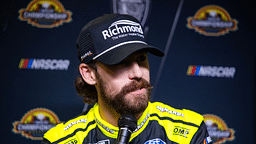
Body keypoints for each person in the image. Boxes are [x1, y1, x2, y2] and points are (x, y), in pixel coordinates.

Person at [42, 13, 212, 144]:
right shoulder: (60, 140)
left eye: (141, 59)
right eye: (120, 63)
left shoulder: (189, 131)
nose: (138, 73)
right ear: (89, 74)